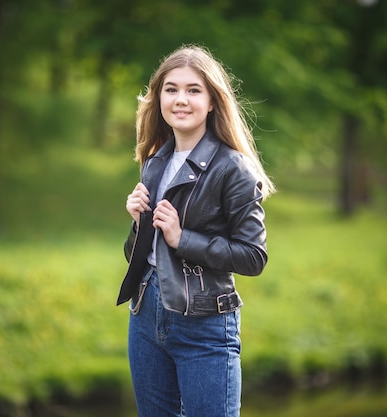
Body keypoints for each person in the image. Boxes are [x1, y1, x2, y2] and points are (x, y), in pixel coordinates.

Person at [116, 44, 275, 417]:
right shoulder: (155, 160)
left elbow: (254, 257)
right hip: (145, 313)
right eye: (171, 89)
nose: (180, 99)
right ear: (158, 99)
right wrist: (139, 224)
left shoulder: (233, 168)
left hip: (204, 323)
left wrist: (181, 239)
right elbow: (140, 254)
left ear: (212, 101)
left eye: (193, 90)